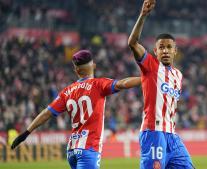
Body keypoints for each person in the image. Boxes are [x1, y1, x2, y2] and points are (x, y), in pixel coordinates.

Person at [10, 50, 141, 169]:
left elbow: (46, 113)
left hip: (72, 149)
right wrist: (145, 79)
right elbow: (122, 83)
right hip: (88, 148)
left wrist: (25, 133)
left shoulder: (66, 92)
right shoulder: (98, 84)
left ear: (76, 70)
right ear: (93, 65)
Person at [128, 0, 194, 168]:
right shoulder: (150, 66)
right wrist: (143, 15)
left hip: (172, 136)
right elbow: (132, 43)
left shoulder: (178, 75)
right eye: (161, 47)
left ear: (175, 51)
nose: (165, 50)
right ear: (155, 51)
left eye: (169, 47)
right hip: (153, 133)